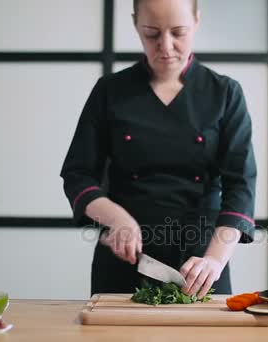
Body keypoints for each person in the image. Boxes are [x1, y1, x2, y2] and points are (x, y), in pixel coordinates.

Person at [61, 0, 256, 299]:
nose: (166, 46)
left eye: (178, 32)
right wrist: (116, 218)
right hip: (125, 257)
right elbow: (78, 174)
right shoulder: (110, 91)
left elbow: (240, 186)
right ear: (135, 24)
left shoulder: (225, 93)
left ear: (197, 21)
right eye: (151, 34)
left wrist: (215, 260)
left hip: (200, 260)